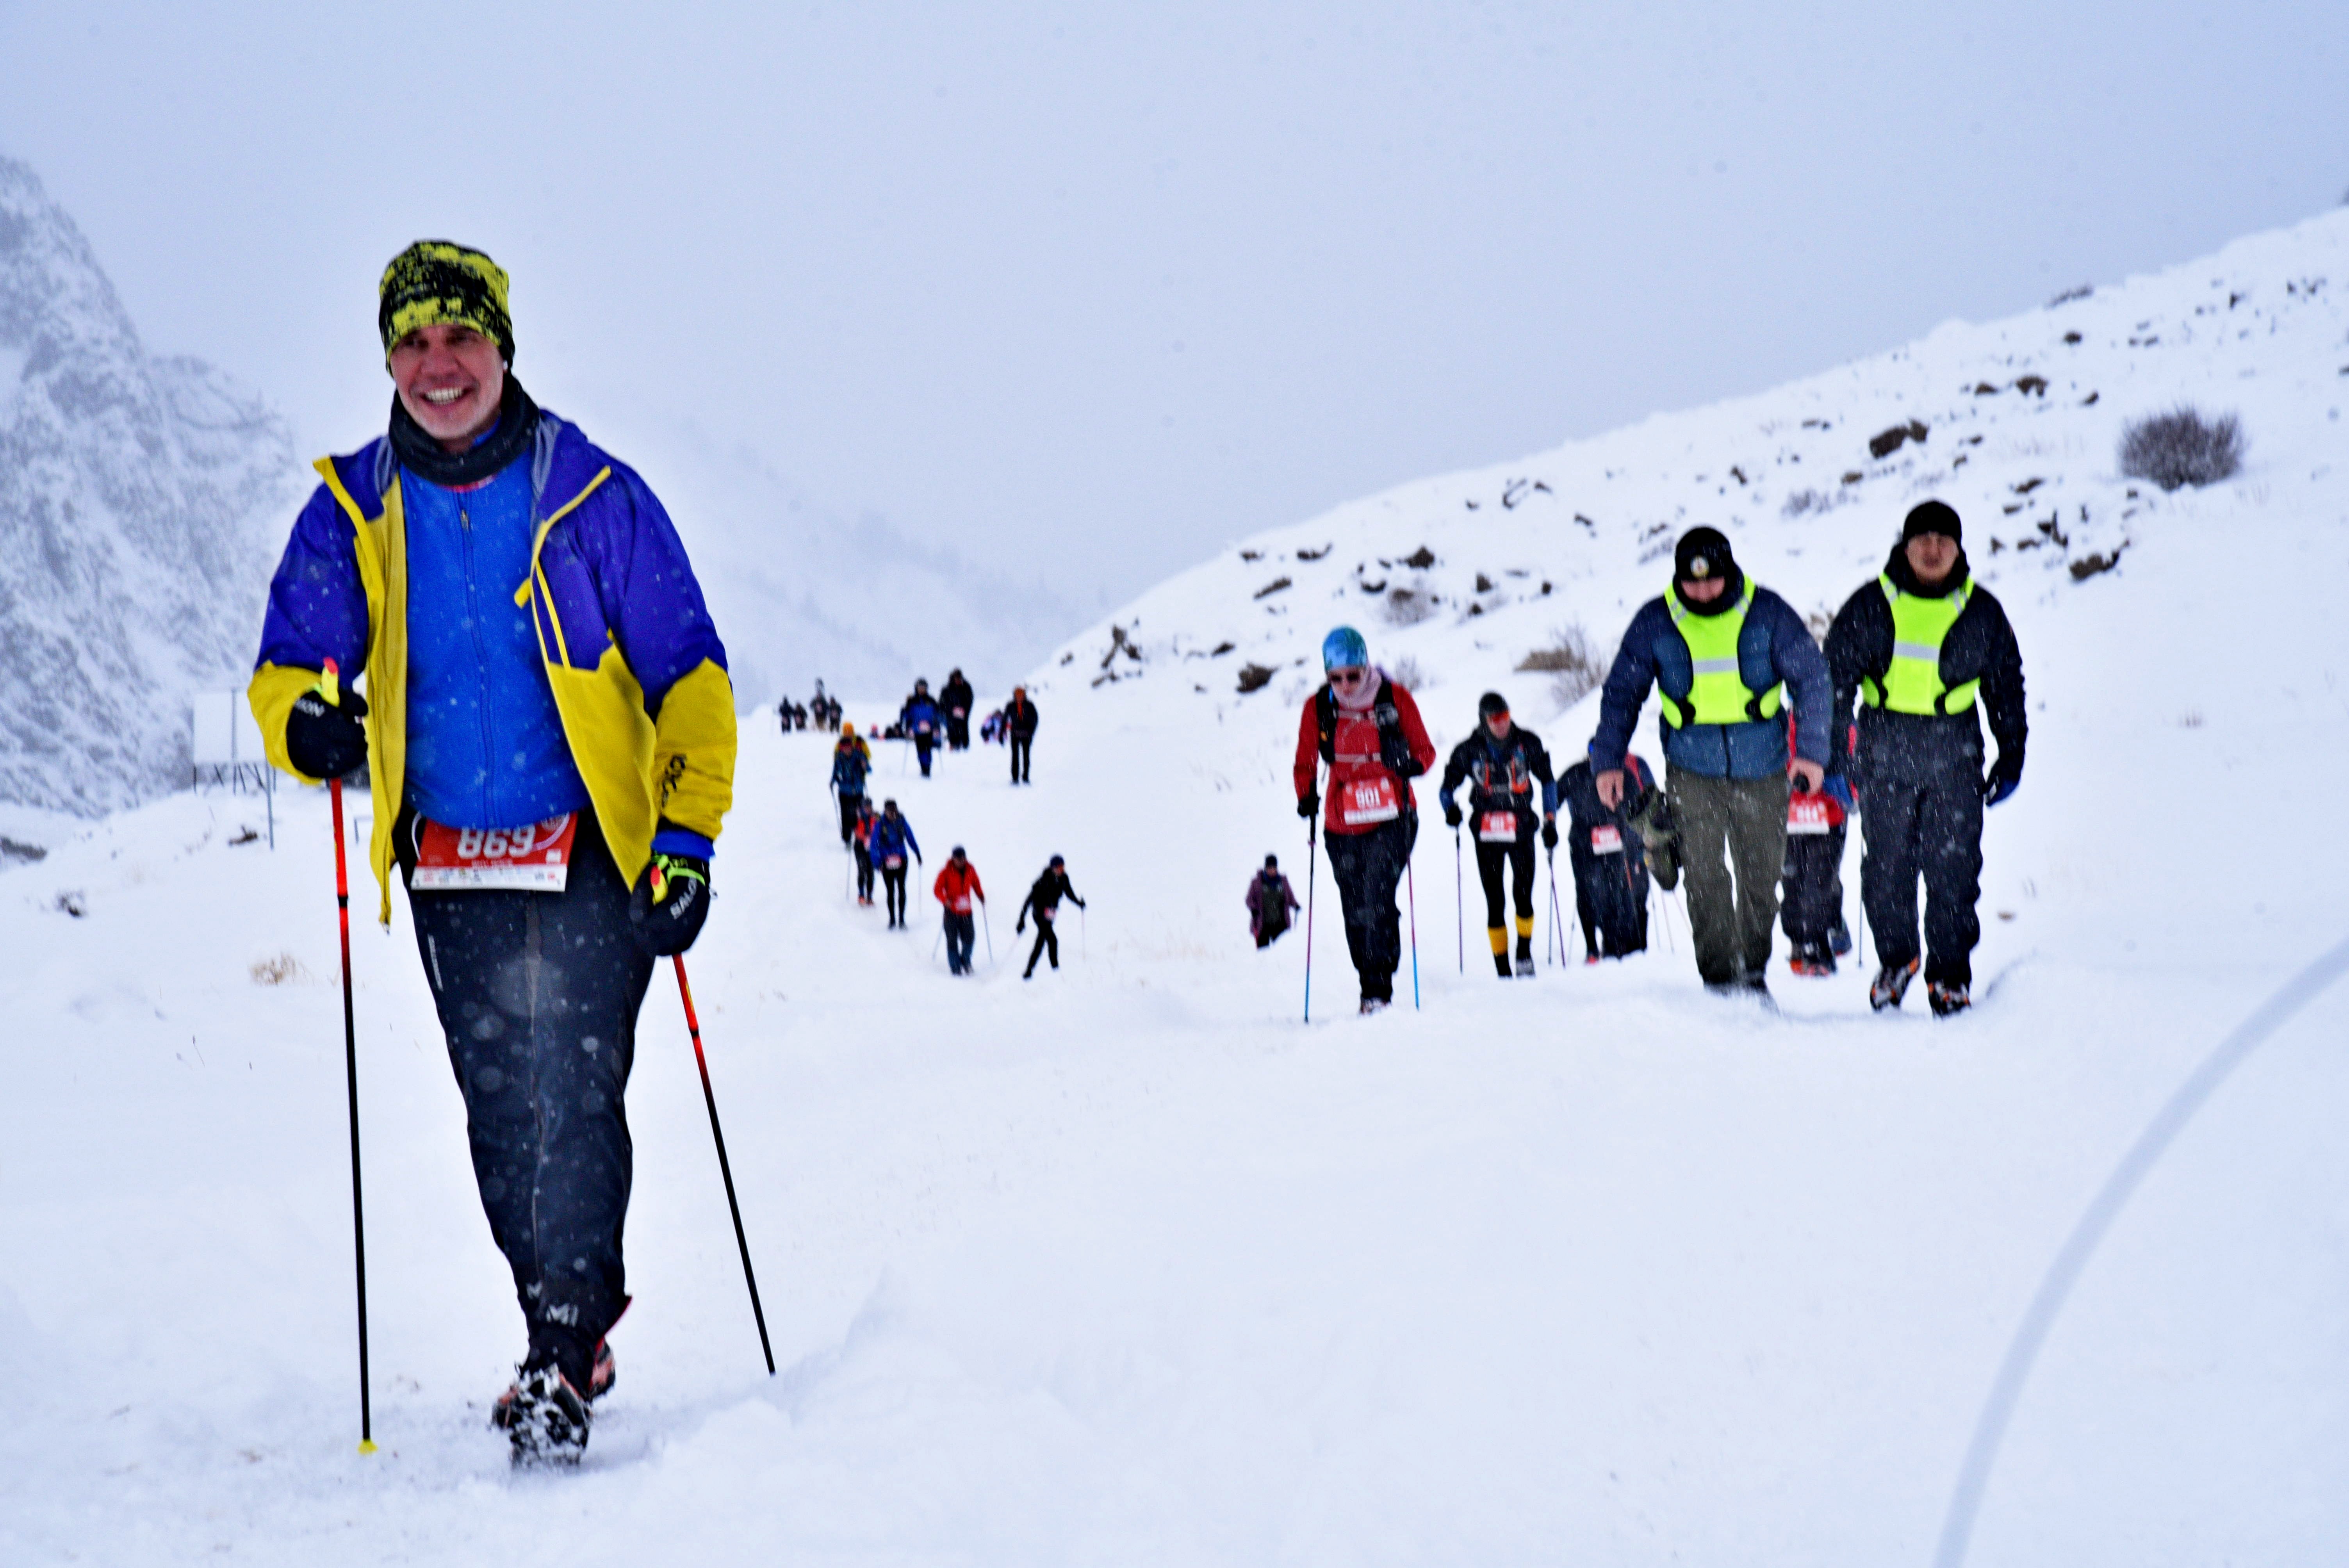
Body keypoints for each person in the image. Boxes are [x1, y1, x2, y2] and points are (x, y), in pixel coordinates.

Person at [248, 241, 734, 1464]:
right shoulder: (353, 511)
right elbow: (290, 664)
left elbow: (691, 677)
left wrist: (684, 842)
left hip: (589, 854)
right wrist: (304, 723)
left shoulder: (592, 497)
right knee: (502, 1107)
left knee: (572, 1086)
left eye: (460, 336)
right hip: (451, 860)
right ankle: (560, 1324)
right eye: (412, 342)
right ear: (387, 361)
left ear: (503, 348)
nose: (438, 364)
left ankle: (563, 1344)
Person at [1588, 526, 1830, 996]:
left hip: (1763, 767)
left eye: (1711, 580)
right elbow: (1621, 694)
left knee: (1760, 877)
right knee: (1703, 876)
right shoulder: (1655, 621)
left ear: (1730, 571)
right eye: (1691, 581)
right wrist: (1608, 760)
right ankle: (1719, 980)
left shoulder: (1767, 613)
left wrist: (1811, 753)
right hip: (1690, 770)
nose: (1701, 590)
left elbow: (1812, 679)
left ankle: (1752, 972)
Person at [1825, 500, 2026, 1016]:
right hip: (1883, 751)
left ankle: (1949, 976)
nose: (1933, 549)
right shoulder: (1870, 605)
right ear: (1905, 546)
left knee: (1953, 872)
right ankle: (1897, 960)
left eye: (1944, 540)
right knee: (1885, 872)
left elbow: (2005, 687)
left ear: (1958, 549)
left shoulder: (1982, 612)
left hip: (1954, 754)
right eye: (1923, 539)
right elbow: (1834, 683)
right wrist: (1834, 759)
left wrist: (2011, 754)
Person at [1293, 625, 1436, 1013]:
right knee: (1354, 906)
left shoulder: (1395, 698)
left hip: (1394, 816)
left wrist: (1409, 764)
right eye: (1335, 677)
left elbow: (1425, 751)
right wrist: (1305, 795)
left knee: (1376, 897)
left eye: (1353, 676)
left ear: (1366, 666)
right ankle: (1368, 980)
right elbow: (1305, 761)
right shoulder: (1318, 708)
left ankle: (1378, 989)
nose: (1345, 685)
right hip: (1342, 822)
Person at [1439, 691, 1560, 977]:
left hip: (1521, 827)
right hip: (1487, 833)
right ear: (1485, 721)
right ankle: (1502, 966)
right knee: (1495, 902)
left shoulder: (1528, 742)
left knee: (1524, 896)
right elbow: (1447, 787)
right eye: (1495, 719)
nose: (1502, 723)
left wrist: (1550, 821)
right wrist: (1450, 810)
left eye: (1505, 716)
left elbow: (1548, 781)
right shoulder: (1469, 749)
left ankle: (1524, 954)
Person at [1558, 754, 1656, 962]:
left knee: (1622, 892)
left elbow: (1645, 800)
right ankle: (1593, 947)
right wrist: (1548, 821)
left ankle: (1621, 945)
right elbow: (1554, 797)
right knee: (1587, 892)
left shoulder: (1631, 769)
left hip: (1620, 841)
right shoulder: (1576, 773)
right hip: (1584, 844)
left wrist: (1645, 831)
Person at [1779, 712, 1855, 976]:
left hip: (1830, 819)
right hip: (1791, 819)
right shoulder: (1781, 723)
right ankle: (1801, 940)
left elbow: (1856, 763)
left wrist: (1852, 790)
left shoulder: (1840, 724)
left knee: (1819, 882)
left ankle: (1817, 948)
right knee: (1793, 883)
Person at [1014, 854, 1086, 978]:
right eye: (1059, 868)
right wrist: (1021, 920)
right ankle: (1051, 970)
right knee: (1050, 940)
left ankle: (1041, 970)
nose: (1061, 870)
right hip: (1039, 913)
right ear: (1053, 868)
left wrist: (1079, 903)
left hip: (1050, 914)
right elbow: (1028, 901)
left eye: (1063, 867)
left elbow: (1069, 893)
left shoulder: (1064, 879)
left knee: (1046, 940)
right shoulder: (1043, 881)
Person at [868, 798, 921, 927]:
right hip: (886, 861)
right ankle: (892, 919)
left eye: (894, 810)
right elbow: (874, 845)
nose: (893, 813)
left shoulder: (902, 821)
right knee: (891, 891)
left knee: (902, 889)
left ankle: (902, 919)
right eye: (890, 811)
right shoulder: (880, 824)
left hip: (901, 858)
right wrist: (878, 864)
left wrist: (917, 853)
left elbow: (910, 837)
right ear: (885, 811)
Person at [934, 845, 986, 975]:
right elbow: (937, 889)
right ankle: (955, 966)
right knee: (952, 941)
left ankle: (966, 961)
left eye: (963, 858)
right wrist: (945, 900)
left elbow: (976, 883)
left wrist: (980, 895)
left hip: (967, 913)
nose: (961, 861)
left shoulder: (971, 870)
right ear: (953, 859)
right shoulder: (945, 872)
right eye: (958, 859)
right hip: (951, 913)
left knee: (970, 939)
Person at [1247, 854, 1301, 949]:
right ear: (1266, 868)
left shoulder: (1283, 882)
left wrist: (1295, 905)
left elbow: (1290, 897)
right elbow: (1249, 899)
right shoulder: (1257, 882)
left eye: (1274, 867)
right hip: (1263, 924)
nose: (1272, 870)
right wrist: (1253, 909)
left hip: (1280, 924)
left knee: (1281, 951)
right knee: (1263, 953)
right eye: (1269, 867)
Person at [830, 723, 872, 845]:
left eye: (849, 747)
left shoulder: (859, 755)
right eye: (845, 748)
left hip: (858, 790)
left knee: (859, 814)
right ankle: (847, 839)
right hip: (844, 791)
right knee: (846, 815)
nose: (847, 750)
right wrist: (833, 782)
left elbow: (869, 769)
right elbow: (835, 773)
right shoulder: (839, 759)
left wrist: (865, 766)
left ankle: (860, 836)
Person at [901, 679, 941, 777]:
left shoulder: (931, 701)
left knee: (928, 749)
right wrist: (905, 714)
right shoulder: (912, 701)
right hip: (917, 730)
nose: (922, 690)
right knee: (921, 749)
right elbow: (907, 715)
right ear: (917, 688)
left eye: (924, 688)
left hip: (929, 730)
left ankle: (927, 768)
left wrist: (937, 726)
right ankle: (924, 767)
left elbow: (937, 714)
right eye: (920, 688)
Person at [1005, 686, 1039, 784]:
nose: (1019, 697)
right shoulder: (1010, 705)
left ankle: (1026, 777)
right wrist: (1002, 732)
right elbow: (1005, 719)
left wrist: (1031, 731)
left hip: (1027, 735)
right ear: (1015, 696)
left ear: (1024, 695)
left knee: (1026, 756)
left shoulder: (1030, 705)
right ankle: (1015, 778)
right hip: (1015, 734)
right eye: (1018, 695)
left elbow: (1035, 719)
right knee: (1015, 756)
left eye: (1021, 695)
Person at [850, 795, 879, 905]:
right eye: (866, 807)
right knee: (862, 870)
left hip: (872, 848)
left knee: (871, 872)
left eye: (869, 807)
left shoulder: (876, 817)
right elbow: (852, 826)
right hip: (860, 847)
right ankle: (861, 895)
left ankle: (870, 896)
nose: (868, 809)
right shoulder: (857, 816)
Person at [941, 668, 975, 752]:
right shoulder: (947, 689)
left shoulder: (966, 688)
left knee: (963, 730)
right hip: (951, 716)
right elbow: (942, 703)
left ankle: (964, 747)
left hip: (963, 716)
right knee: (952, 730)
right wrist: (950, 710)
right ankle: (953, 746)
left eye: (959, 678)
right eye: (956, 678)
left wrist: (964, 710)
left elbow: (970, 700)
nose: (958, 680)